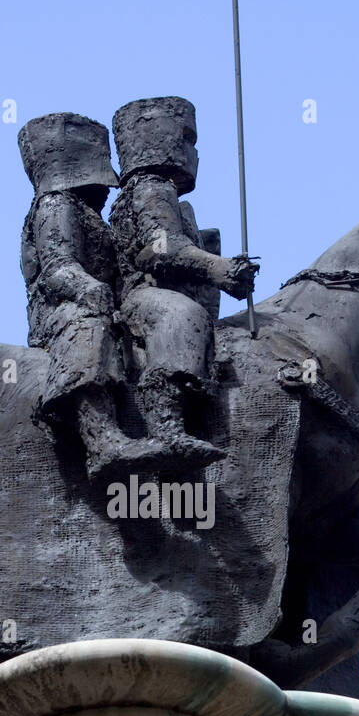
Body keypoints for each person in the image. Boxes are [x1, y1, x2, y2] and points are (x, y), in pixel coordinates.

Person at [110, 96, 258, 470]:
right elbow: (162, 247)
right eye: (188, 140)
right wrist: (219, 268)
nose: (194, 153)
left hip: (168, 293)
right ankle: (166, 427)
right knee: (181, 315)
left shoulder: (172, 197)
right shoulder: (150, 189)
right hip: (145, 297)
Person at [19, 111, 163, 481]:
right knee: (89, 325)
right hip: (62, 313)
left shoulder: (92, 215)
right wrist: (89, 290)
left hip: (105, 305)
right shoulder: (55, 205)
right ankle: (101, 440)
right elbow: (57, 267)